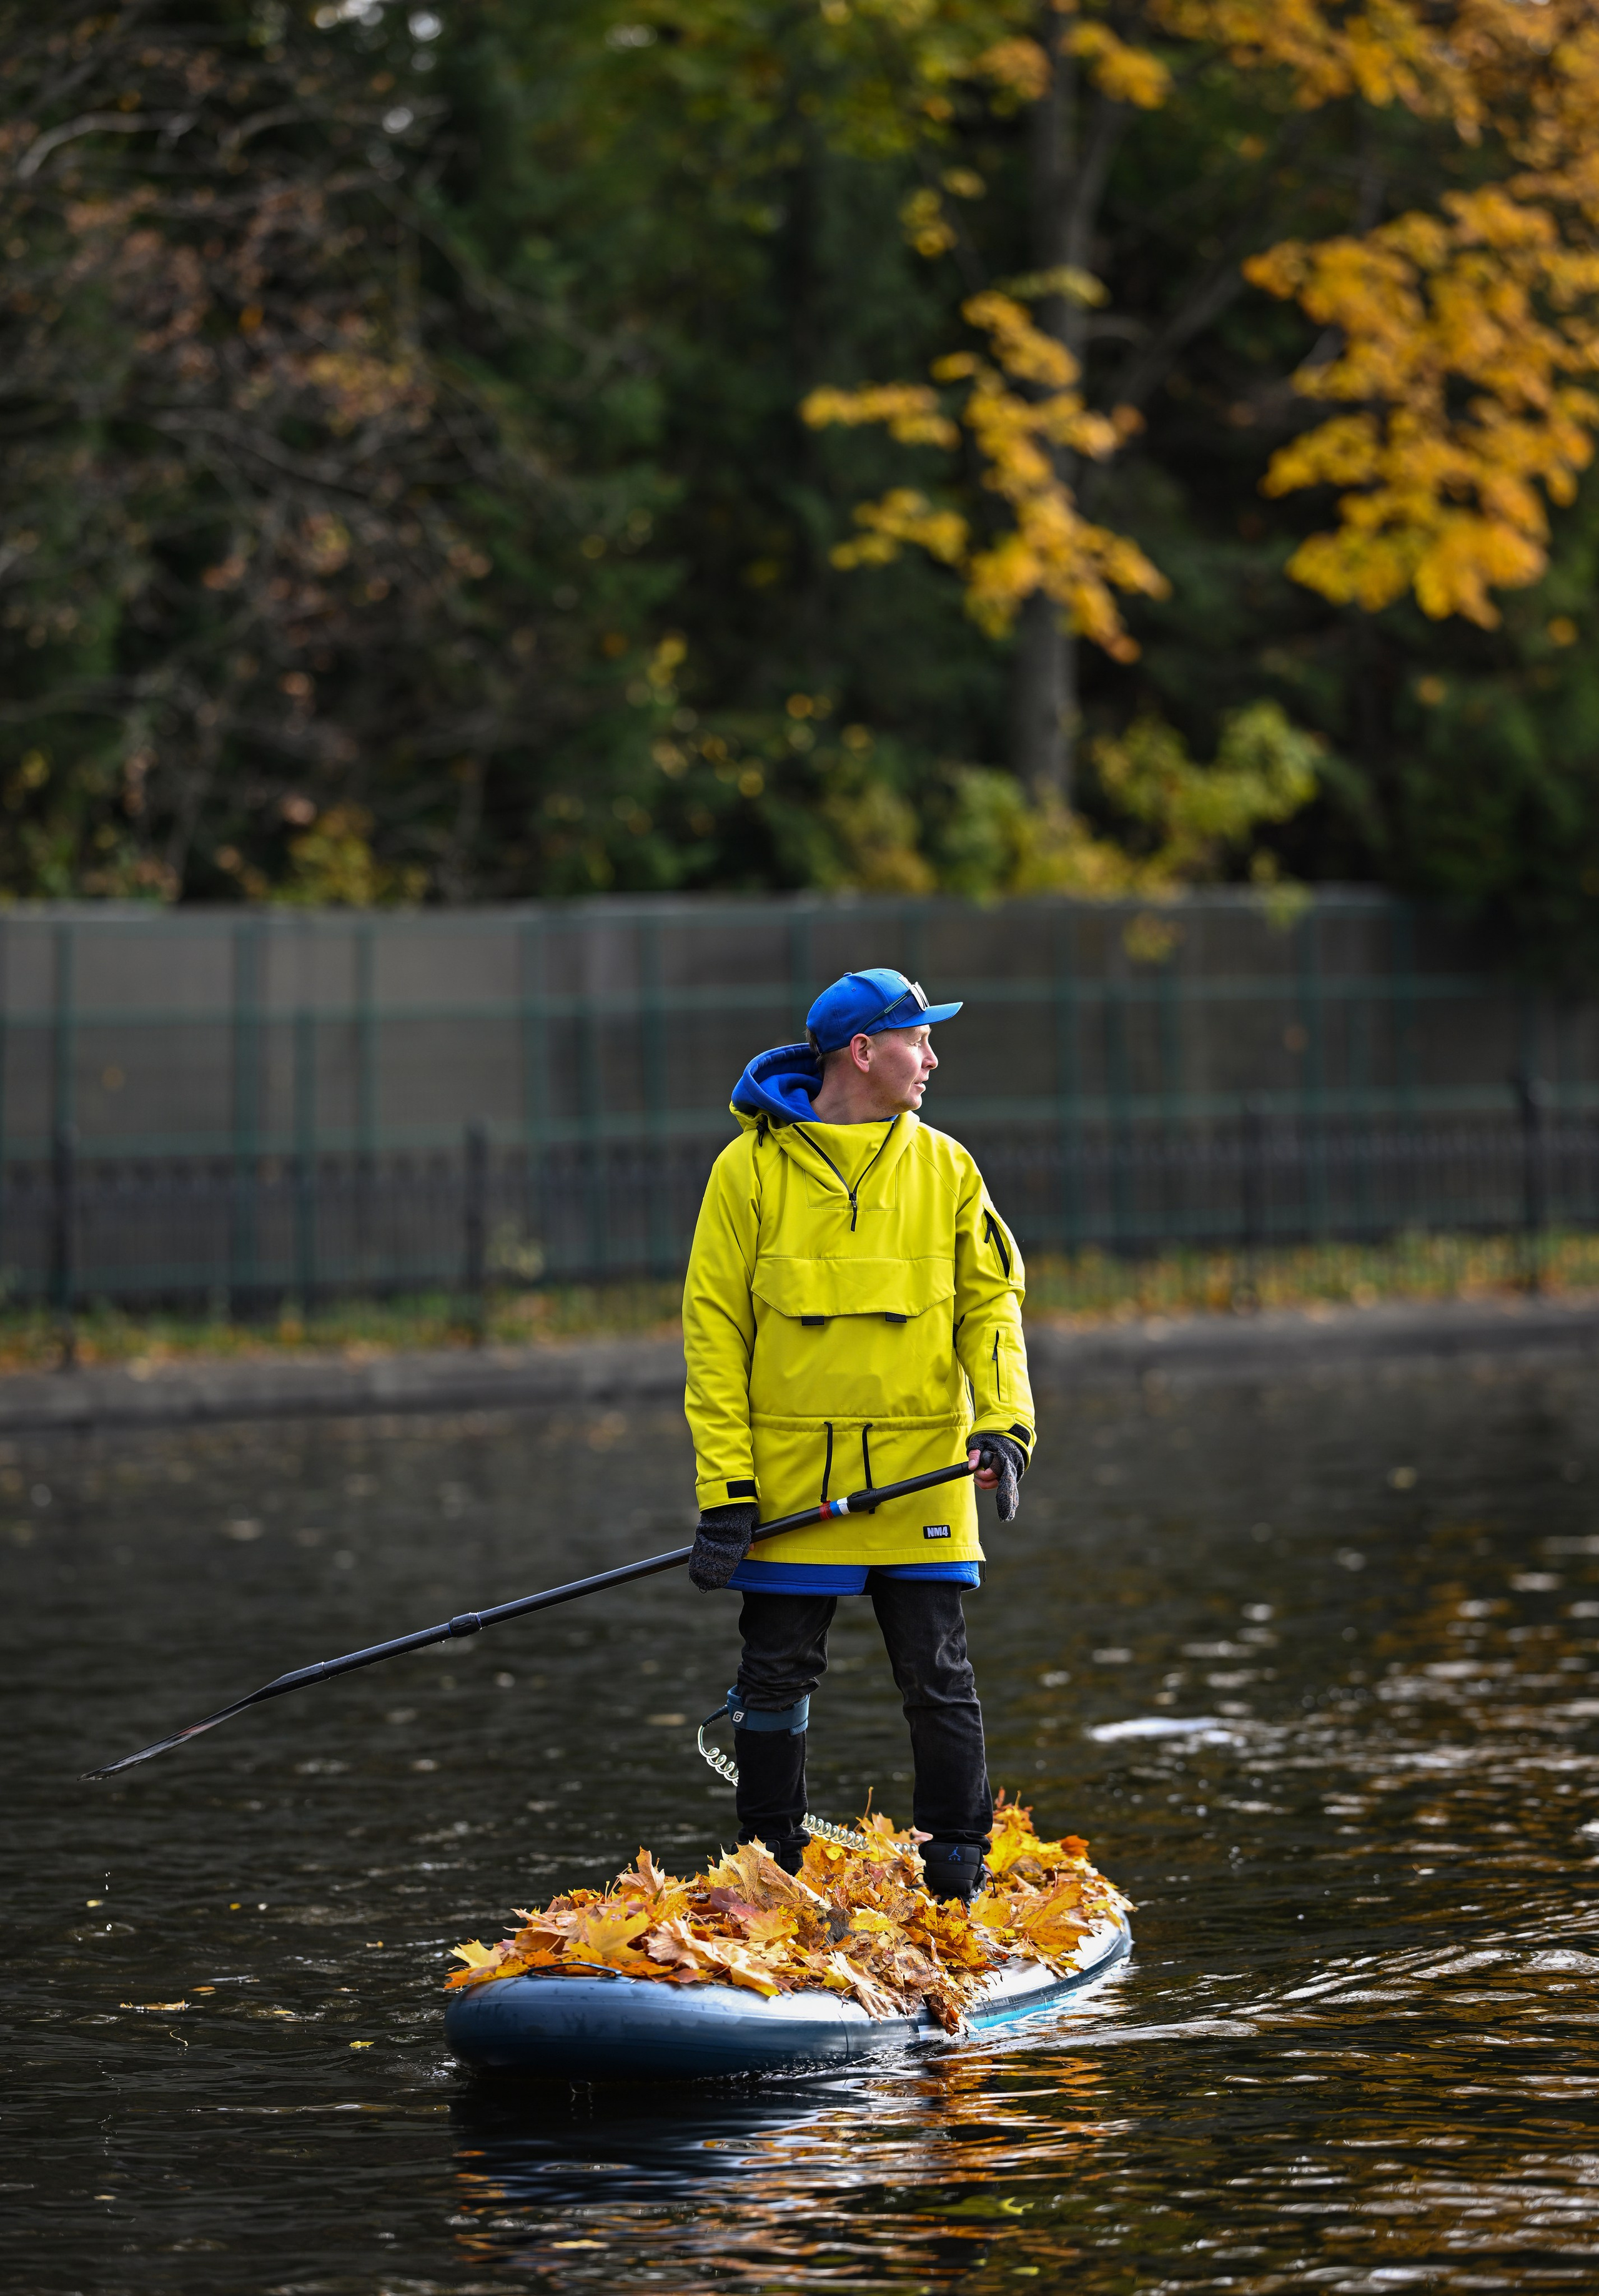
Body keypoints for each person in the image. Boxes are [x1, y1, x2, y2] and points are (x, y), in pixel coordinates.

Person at [681, 967, 1034, 1901]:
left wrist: (1003, 1426)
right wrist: (727, 1491)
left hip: (923, 1479)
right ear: (864, 1052)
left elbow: (991, 1308)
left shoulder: (950, 1169)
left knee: (940, 1676)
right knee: (774, 1678)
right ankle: (767, 1877)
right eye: (919, 1037)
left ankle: (958, 1873)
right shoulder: (744, 1173)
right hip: (793, 1493)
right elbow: (713, 1339)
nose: (934, 1055)